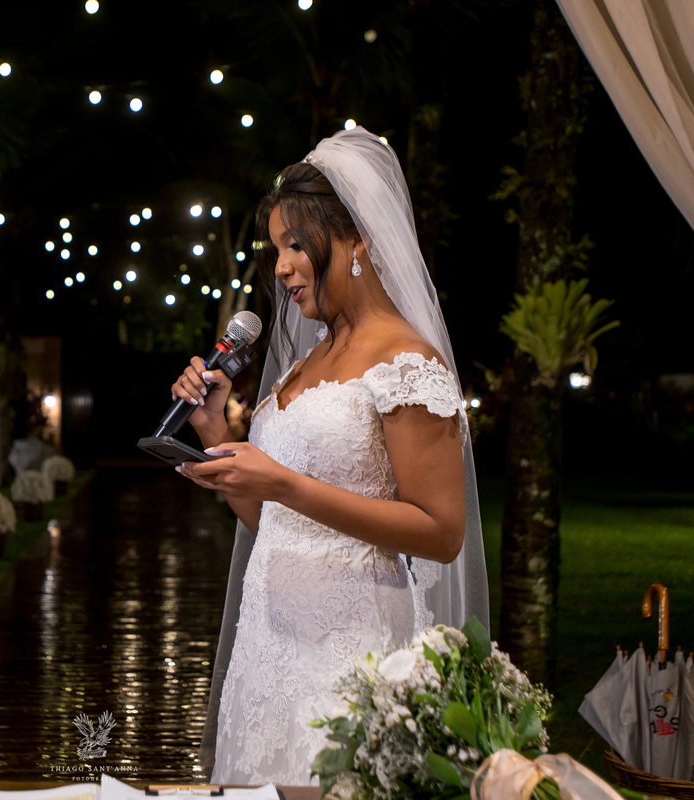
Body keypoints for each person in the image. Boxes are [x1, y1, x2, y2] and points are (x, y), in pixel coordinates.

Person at [174, 128, 489, 785]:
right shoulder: (304, 363)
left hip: (349, 656)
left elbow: (441, 532)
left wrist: (285, 483)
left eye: (296, 245)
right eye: (276, 250)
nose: (281, 267)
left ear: (358, 240)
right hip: (266, 651)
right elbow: (271, 522)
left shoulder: (406, 360)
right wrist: (212, 431)